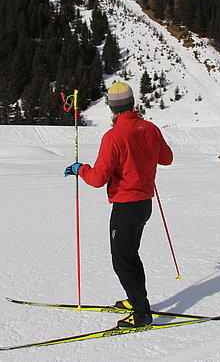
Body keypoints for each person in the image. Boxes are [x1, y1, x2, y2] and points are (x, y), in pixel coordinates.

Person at [64, 82, 173, 328]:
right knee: (130, 255)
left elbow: (97, 178)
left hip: (126, 206)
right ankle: (135, 300)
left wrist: (79, 169)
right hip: (145, 204)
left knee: (122, 260)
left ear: (113, 108)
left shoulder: (113, 136)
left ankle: (141, 314)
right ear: (132, 103)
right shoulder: (151, 128)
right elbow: (167, 158)